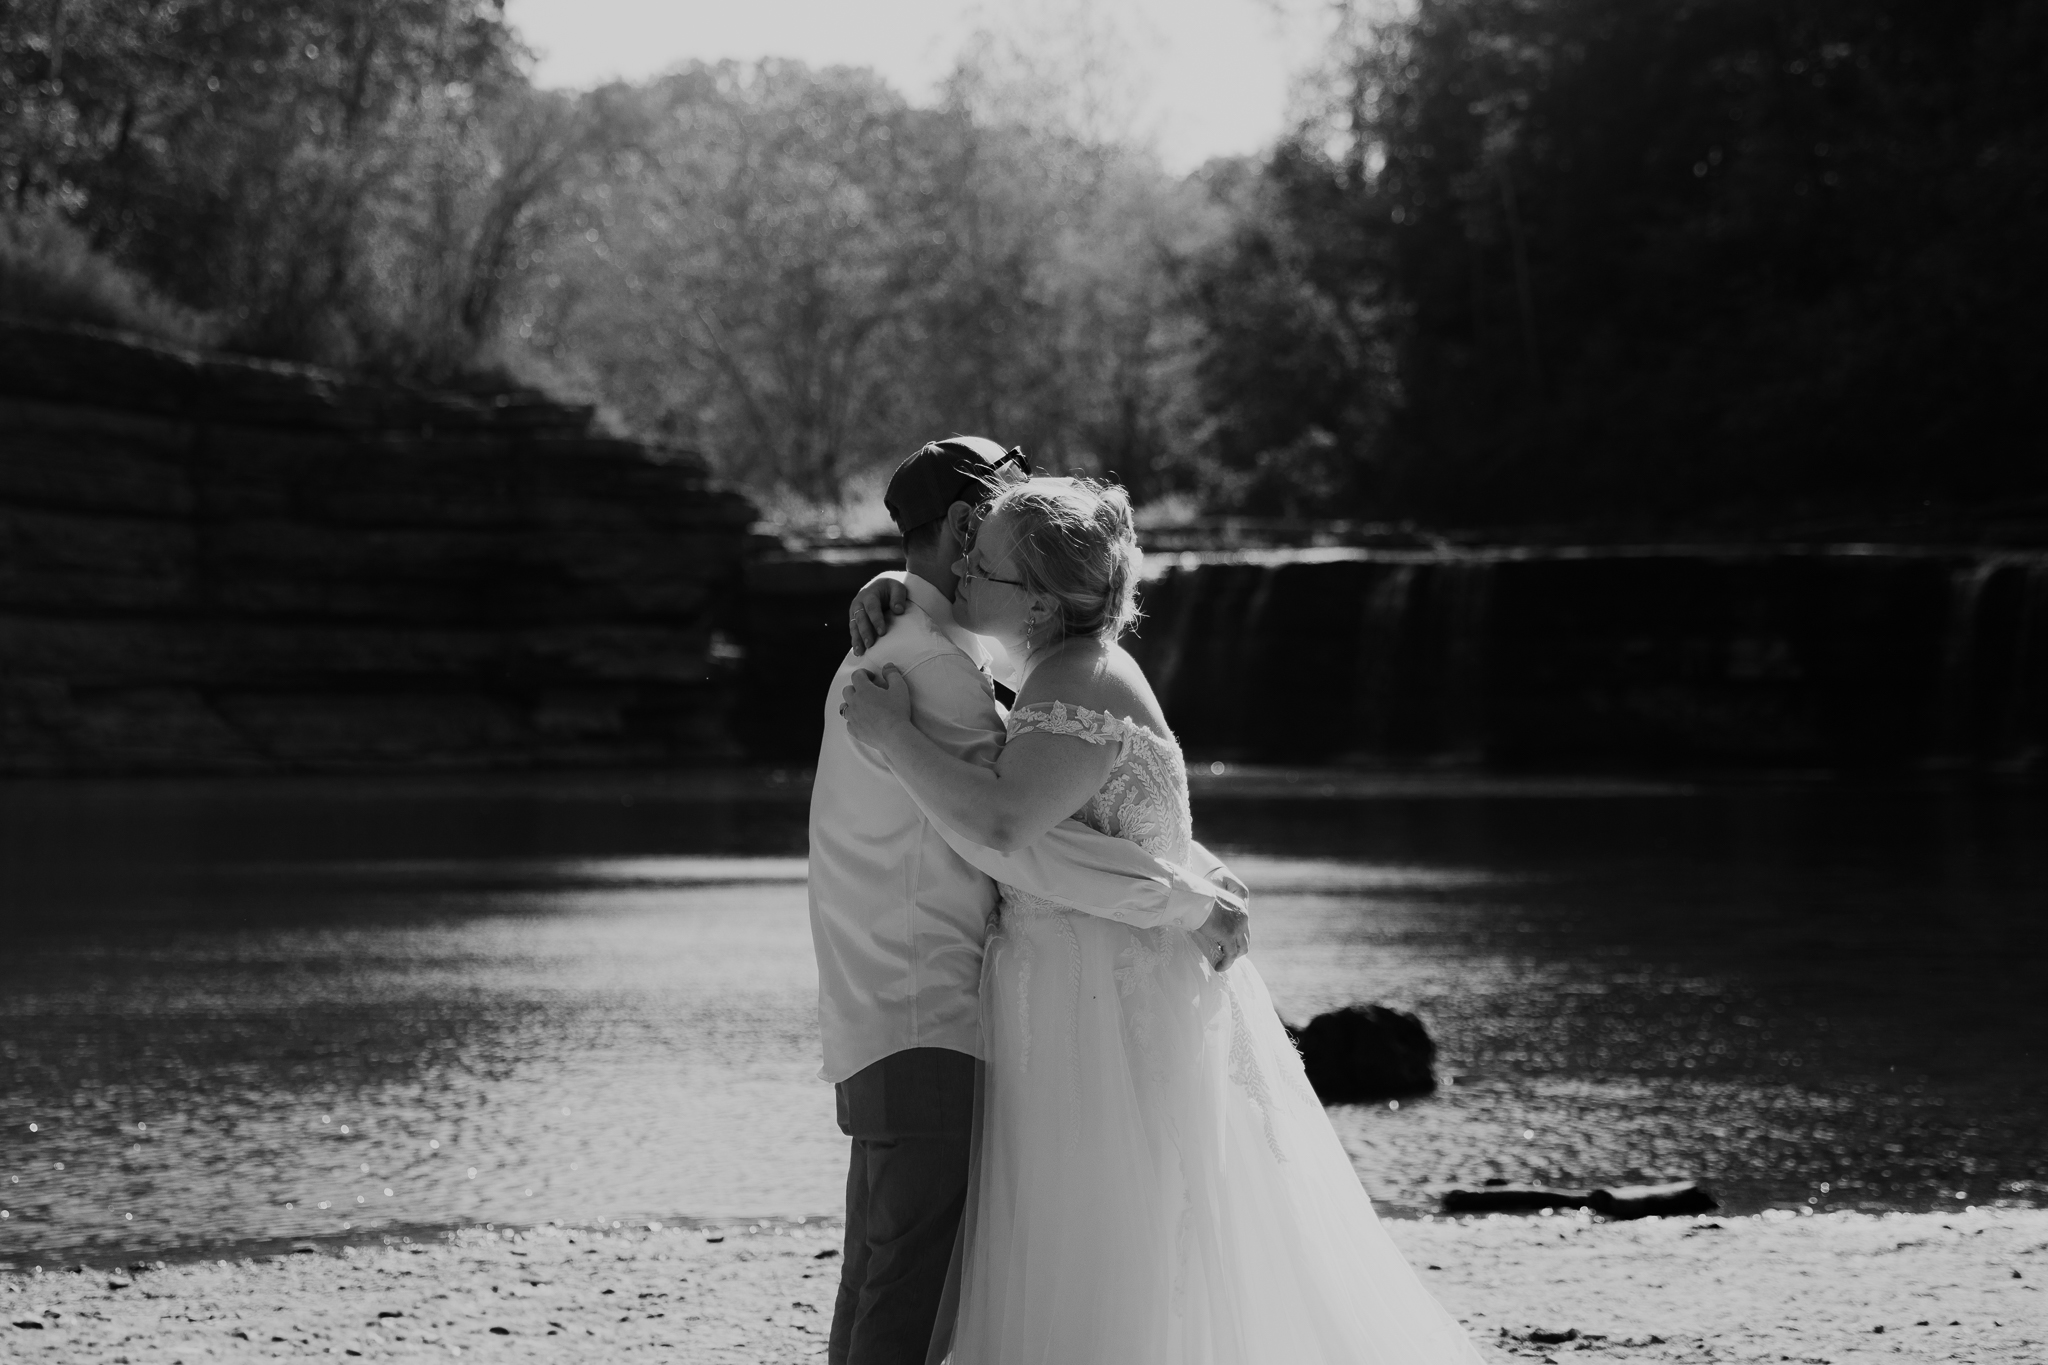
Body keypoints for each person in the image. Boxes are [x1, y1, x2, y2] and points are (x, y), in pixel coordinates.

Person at [840, 475, 1487, 1365]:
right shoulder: (1064, 670)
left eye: (981, 567)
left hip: (1103, 1004)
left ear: (1036, 598)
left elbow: (1000, 824)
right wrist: (887, 588)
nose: (963, 577)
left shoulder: (1078, 684)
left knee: (1114, 1243)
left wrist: (892, 736)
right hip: (1077, 989)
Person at [809, 439, 1252, 1365]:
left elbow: (1042, 821)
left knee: (890, 1282)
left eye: (1002, 554)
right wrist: (1186, 901)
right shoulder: (929, 671)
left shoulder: (929, 654)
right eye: (986, 538)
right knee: (907, 1293)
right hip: (926, 1011)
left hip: (906, 1008)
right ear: (968, 527)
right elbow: (1025, 843)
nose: (982, 562)